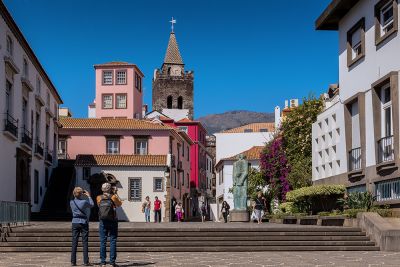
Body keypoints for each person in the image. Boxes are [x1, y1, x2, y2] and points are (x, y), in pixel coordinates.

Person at [97, 183, 122, 267]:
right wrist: (115, 193)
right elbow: (119, 204)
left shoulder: (99, 197)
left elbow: (98, 206)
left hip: (102, 221)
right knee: (113, 240)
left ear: (102, 189)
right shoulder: (113, 197)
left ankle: (103, 262)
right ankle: (112, 262)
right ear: (110, 189)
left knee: (103, 241)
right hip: (113, 220)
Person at [70, 187, 94, 266]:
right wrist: (89, 196)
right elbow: (92, 205)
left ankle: (73, 262)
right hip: (83, 222)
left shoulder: (71, 202)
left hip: (75, 222)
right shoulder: (84, 202)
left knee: (74, 242)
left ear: (74, 193)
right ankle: (86, 261)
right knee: (85, 242)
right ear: (81, 194)